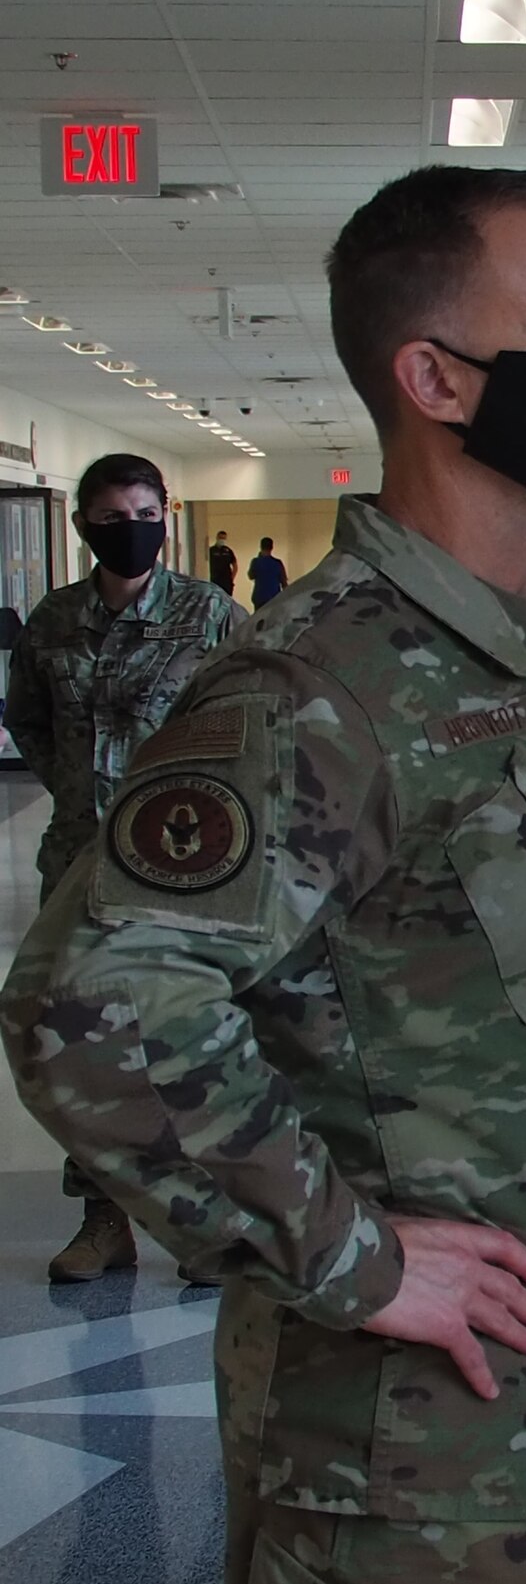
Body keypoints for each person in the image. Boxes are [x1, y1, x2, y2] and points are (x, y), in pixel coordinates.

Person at [2, 166, 526, 1584]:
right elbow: (92, 1007)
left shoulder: (513, 663)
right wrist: (356, 1258)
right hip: (413, 1488)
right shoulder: (321, 688)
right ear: (435, 379)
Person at [4, 451, 246, 1283]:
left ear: (164, 517)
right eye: (108, 518)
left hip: (185, 864)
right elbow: (30, 722)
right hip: (78, 863)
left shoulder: (210, 615)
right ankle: (104, 1217)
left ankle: (207, 1221)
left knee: (187, 1037)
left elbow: (247, 723)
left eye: (141, 513)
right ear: (81, 525)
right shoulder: (53, 620)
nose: (127, 529)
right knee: (81, 1044)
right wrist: (83, 795)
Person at [247, 535, 289, 608]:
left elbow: (251, 576)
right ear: (272, 547)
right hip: (274, 597)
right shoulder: (277, 563)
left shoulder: (256, 562)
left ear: (260, 547)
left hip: (259, 597)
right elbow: (284, 582)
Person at [208, 528, 238, 595]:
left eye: (224, 538)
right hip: (214, 579)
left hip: (226, 580)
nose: (222, 540)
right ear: (217, 537)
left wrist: (231, 578)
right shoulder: (211, 550)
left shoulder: (228, 551)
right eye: (220, 538)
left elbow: (235, 565)